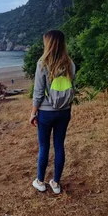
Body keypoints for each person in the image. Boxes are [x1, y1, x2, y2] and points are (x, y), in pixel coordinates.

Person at [30, 30, 75, 194]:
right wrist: (68, 108)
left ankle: (40, 181)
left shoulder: (43, 63)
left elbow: (38, 92)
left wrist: (33, 113)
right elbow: (72, 89)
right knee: (59, 146)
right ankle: (56, 183)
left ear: (48, 43)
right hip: (64, 112)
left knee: (44, 146)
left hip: (46, 113)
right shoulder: (69, 63)